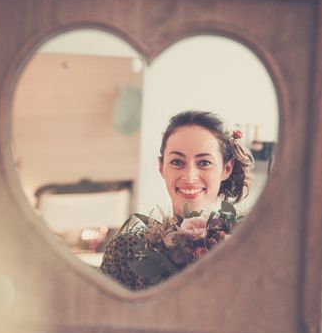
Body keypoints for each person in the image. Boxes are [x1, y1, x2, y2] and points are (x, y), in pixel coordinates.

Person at [99, 110, 254, 290]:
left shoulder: (245, 245)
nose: (189, 177)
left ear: (226, 169)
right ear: (161, 167)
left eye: (204, 163)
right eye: (177, 162)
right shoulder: (127, 248)